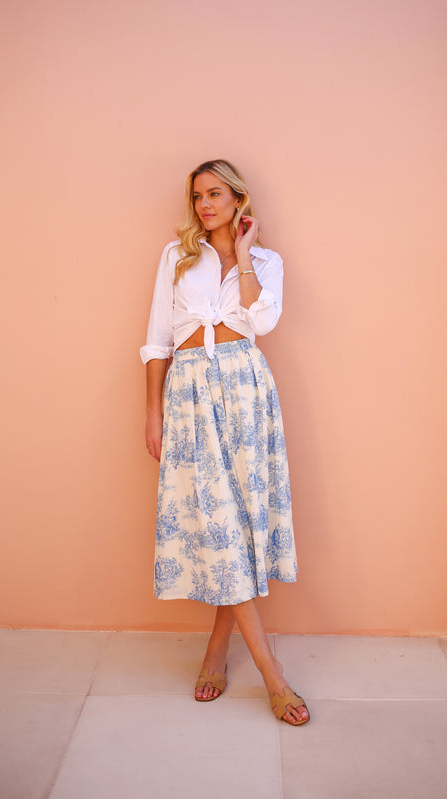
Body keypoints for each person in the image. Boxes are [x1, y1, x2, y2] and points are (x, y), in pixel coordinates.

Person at [140, 159, 309, 726]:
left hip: (245, 387)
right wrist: (153, 411)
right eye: (197, 197)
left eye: (216, 194)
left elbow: (263, 319)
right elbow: (158, 339)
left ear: (238, 199)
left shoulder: (265, 261)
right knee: (217, 521)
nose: (205, 205)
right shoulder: (175, 256)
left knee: (235, 524)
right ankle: (273, 677)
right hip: (189, 392)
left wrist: (242, 253)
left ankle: (216, 653)